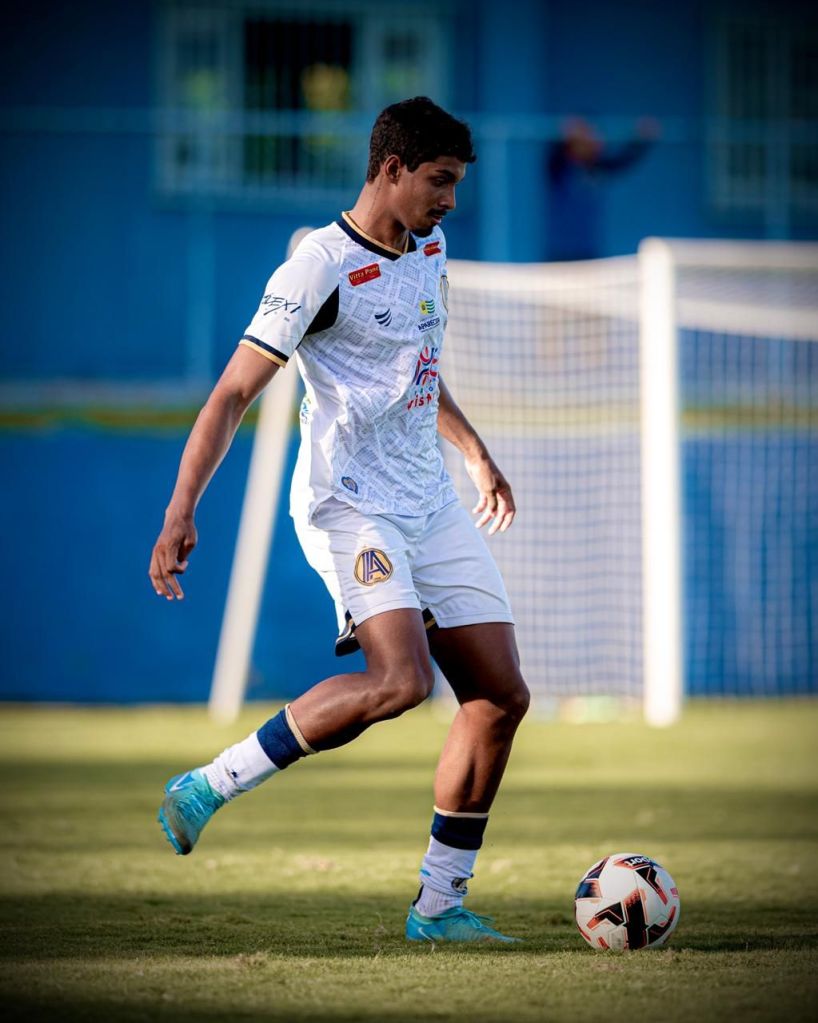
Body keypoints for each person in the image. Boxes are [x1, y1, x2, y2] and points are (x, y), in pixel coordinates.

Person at [149, 96, 530, 944]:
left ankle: (440, 907)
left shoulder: (431, 247)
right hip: (350, 505)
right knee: (402, 682)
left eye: (456, 185)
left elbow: (416, 370)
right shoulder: (317, 268)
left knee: (500, 695)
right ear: (392, 168)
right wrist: (181, 508)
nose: (450, 201)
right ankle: (212, 781)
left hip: (430, 500)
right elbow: (232, 393)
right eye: (439, 181)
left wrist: (475, 452)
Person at [546, 115, 660, 261]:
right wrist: (568, 133)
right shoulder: (560, 169)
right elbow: (555, 156)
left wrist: (641, 140)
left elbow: (622, 161)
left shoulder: (597, 168)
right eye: (585, 137)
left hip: (588, 253)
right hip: (559, 254)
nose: (592, 142)